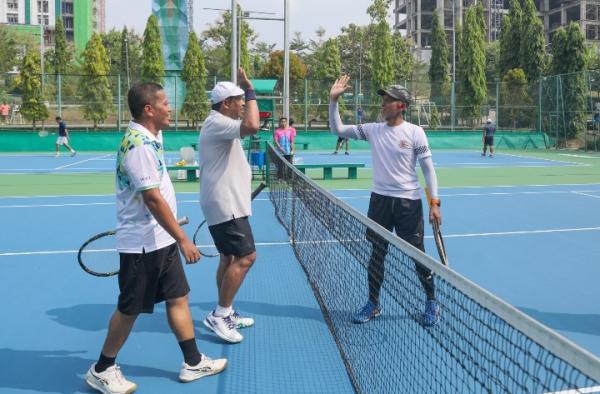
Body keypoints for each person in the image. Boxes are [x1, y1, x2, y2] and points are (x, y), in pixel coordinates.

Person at [84, 83, 227, 394]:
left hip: (161, 239)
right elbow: (151, 199)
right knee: (130, 308)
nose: (170, 107)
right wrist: (183, 239)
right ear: (149, 110)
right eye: (164, 102)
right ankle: (102, 369)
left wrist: (171, 234)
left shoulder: (151, 134)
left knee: (178, 297)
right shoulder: (138, 146)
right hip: (143, 244)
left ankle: (192, 361)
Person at [329, 75, 443, 327]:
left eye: (388, 100)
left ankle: (432, 300)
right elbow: (337, 130)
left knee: (417, 255)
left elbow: (428, 170)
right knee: (377, 253)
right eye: (383, 99)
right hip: (380, 201)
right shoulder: (372, 130)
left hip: (408, 203)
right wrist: (333, 101)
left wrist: (435, 203)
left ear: (401, 105)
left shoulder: (415, 132)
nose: (382, 104)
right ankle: (373, 303)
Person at [198, 68, 260, 344]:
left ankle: (227, 311)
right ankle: (220, 315)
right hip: (226, 205)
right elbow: (253, 126)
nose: (243, 104)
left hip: (225, 203)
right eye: (239, 101)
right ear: (226, 104)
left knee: (229, 258)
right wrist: (250, 89)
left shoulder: (217, 123)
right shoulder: (218, 122)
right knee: (247, 257)